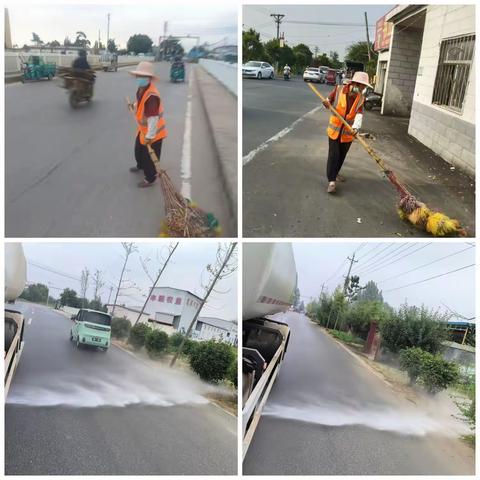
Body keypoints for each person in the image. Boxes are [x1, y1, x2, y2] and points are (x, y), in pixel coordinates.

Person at [322, 71, 371, 194]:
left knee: (341, 156)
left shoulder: (360, 97)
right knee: (334, 155)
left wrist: (356, 127)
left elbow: (359, 113)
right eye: (362, 86)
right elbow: (329, 100)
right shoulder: (338, 89)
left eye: (364, 87)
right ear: (354, 83)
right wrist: (326, 103)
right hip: (334, 130)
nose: (363, 88)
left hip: (348, 133)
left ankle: (335, 173)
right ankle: (331, 182)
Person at [128, 61, 168, 188]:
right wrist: (133, 105)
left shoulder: (152, 96)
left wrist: (150, 136)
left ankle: (150, 178)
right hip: (143, 129)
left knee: (149, 158)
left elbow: (153, 118)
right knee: (138, 150)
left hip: (154, 132)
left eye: (143, 76)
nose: (140, 78)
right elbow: (140, 104)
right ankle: (140, 166)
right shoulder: (142, 89)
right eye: (139, 76)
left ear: (149, 78)